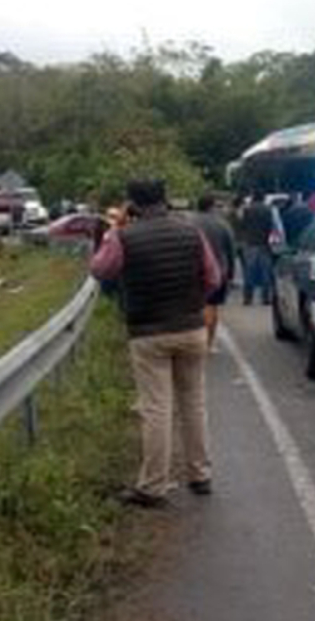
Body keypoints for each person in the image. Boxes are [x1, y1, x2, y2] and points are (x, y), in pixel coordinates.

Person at [90, 178, 222, 509]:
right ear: (165, 200)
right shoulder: (191, 231)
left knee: (156, 408)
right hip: (191, 328)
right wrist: (194, 302)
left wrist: (113, 230)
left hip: (148, 332)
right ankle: (200, 474)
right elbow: (213, 277)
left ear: (132, 204)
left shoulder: (123, 236)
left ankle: (153, 486)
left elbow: (100, 270)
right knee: (194, 402)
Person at [191, 194, 237, 348]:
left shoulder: (189, 223)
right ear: (212, 207)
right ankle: (209, 343)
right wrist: (231, 274)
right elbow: (231, 251)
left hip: (193, 271)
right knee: (211, 306)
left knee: (195, 308)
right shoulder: (222, 224)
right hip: (217, 272)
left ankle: (197, 340)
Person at [238, 190, 275, 305]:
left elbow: (243, 226)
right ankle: (265, 298)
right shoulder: (268, 210)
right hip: (264, 243)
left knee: (249, 272)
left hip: (250, 244)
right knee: (265, 272)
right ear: (263, 198)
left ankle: (247, 298)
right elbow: (271, 226)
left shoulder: (247, 210)